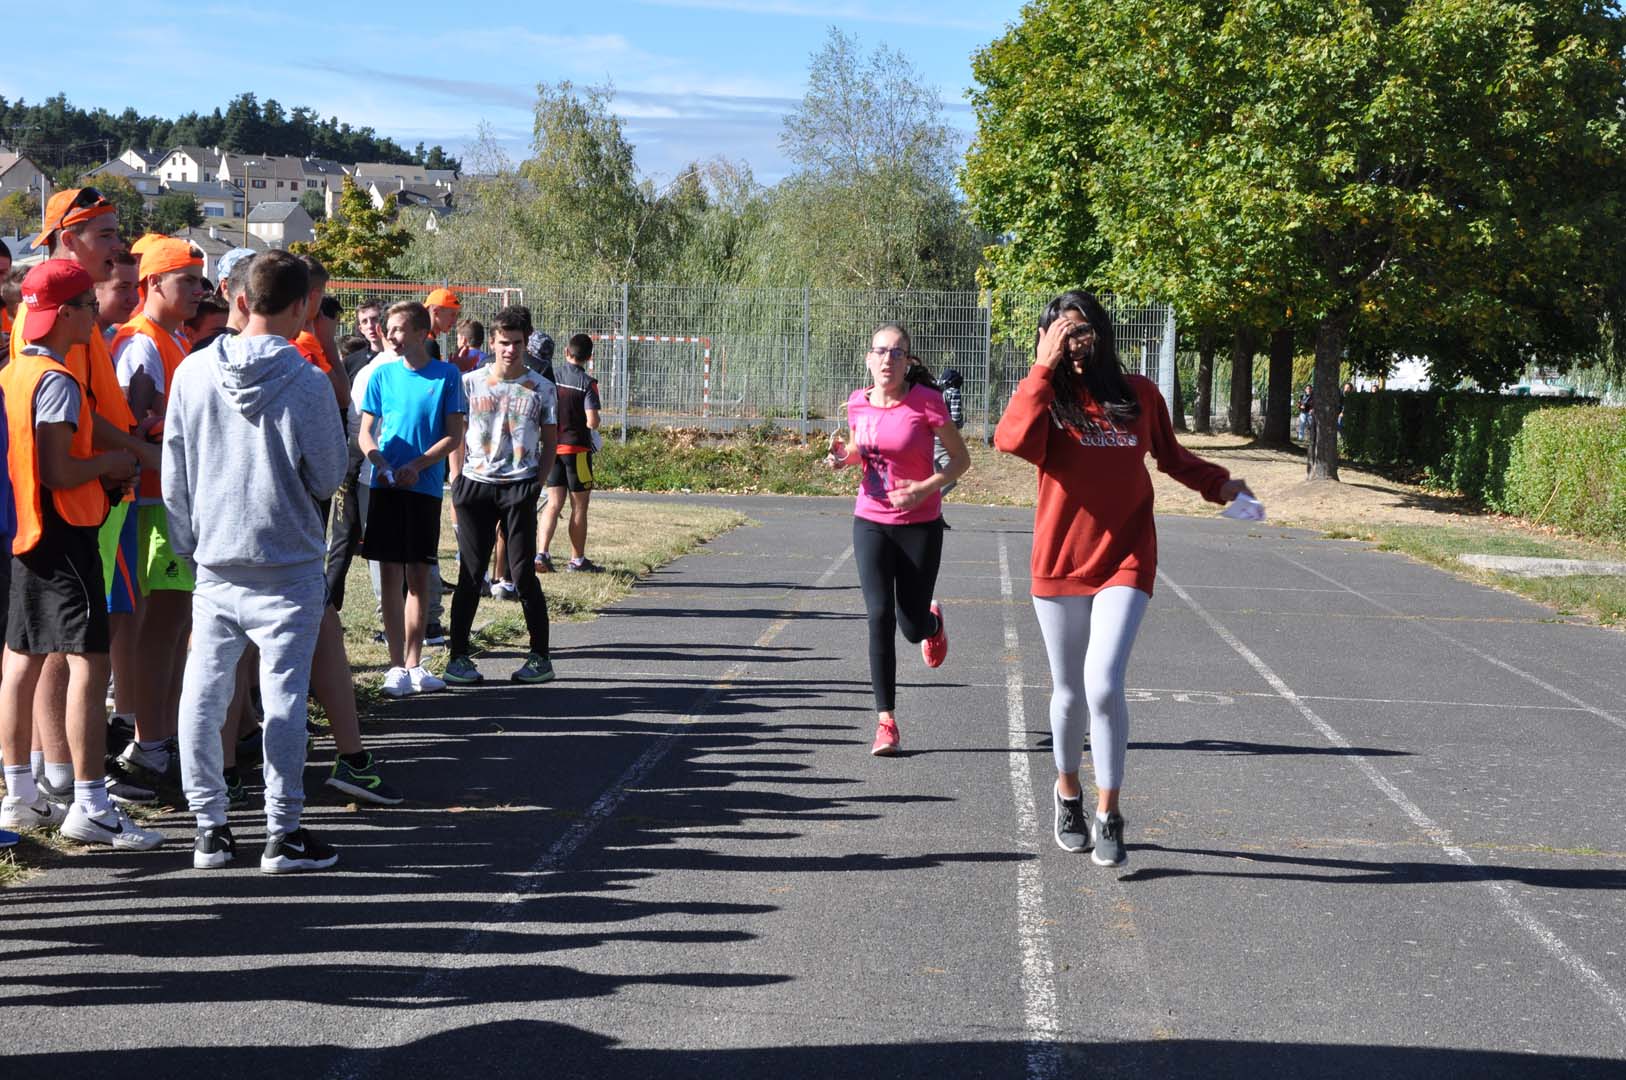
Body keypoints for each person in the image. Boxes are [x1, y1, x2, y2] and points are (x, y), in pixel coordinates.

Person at [994, 290, 1251, 867]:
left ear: (1102, 333)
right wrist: (1043, 365)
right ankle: (1067, 792)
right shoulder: (1046, 396)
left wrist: (1223, 486)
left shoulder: (1139, 394)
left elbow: (1174, 458)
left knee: (1103, 683)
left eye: (1081, 330)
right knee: (1067, 690)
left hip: (1126, 558)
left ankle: (1110, 811)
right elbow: (1008, 441)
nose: (1074, 341)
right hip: (1059, 560)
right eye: (1061, 332)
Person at [164, 249, 348, 872]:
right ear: (302, 307)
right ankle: (283, 830)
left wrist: (189, 543)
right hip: (287, 559)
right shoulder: (307, 379)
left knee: (205, 691)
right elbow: (327, 476)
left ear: (241, 299)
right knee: (283, 696)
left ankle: (209, 827)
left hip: (216, 559)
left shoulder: (192, 372)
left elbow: (175, 472)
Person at [11, 191, 160, 810]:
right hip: (67, 508)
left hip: (86, 500)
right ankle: (67, 778)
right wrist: (121, 460)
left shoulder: (80, 317)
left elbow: (90, 412)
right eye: (104, 235)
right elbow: (62, 434)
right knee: (65, 648)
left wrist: (134, 455)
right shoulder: (55, 323)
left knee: (48, 644)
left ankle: (52, 773)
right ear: (66, 240)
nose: (118, 248)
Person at [825, 323, 969, 756]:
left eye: (897, 352)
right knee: (878, 616)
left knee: (909, 627)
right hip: (869, 520)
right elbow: (858, 449)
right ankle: (886, 722)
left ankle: (932, 622)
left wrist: (925, 488)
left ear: (908, 362)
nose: (887, 359)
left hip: (920, 524)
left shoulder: (927, 403)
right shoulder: (856, 403)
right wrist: (842, 458)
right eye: (880, 351)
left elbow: (960, 461)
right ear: (869, 359)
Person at [109, 238, 207, 794]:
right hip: (148, 502)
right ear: (154, 284)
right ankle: (148, 746)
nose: (197, 291)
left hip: (165, 500)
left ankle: (157, 741)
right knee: (160, 627)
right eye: (186, 281)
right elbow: (136, 426)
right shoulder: (140, 345)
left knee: (172, 627)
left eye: (198, 281)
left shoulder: (168, 339)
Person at [443, 306, 558, 686]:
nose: (510, 349)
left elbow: (551, 441)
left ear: (526, 344)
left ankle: (540, 656)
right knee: (471, 574)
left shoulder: (542, 387)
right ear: (491, 342)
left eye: (518, 343)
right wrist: (457, 478)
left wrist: (536, 484)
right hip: (475, 485)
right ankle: (457, 657)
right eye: (504, 342)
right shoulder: (469, 382)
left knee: (523, 573)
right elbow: (456, 432)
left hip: (519, 486)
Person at [359, 301, 467, 697]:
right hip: (386, 487)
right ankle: (394, 665)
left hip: (422, 488)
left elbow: (453, 436)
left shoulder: (447, 376)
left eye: (400, 328)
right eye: (390, 329)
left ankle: (414, 663)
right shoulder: (381, 376)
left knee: (418, 577)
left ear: (423, 333)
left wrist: (418, 466)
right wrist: (382, 462)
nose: (392, 336)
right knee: (389, 577)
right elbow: (367, 433)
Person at [538, 334, 603, 574]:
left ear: (567, 352)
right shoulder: (587, 383)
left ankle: (542, 553)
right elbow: (592, 421)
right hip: (578, 451)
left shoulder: (551, 377)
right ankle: (577, 560)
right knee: (579, 507)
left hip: (553, 447)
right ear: (589, 357)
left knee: (553, 503)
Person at [424, 287, 460, 362]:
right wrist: (456, 367)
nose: (454, 321)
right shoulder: (427, 344)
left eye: (456, 315)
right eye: (452, 314)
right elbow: (433, 373)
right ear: (436, 311)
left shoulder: (420, 337)